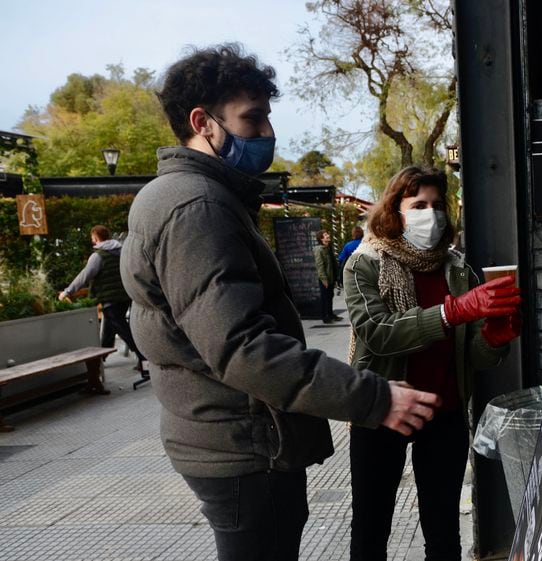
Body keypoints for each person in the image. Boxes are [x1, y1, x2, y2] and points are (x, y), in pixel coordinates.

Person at [120, 44, 440, 561]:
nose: (267, 133)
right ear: (203, 122)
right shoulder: (196, 206)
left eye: (268, 116)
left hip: (233, 436)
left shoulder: (186, 196)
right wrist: (374, 398)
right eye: (252, 118)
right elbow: (242, 347)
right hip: (243, 444)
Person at [343, 165, 522, 561]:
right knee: (371, 527)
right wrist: (450, 311)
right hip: (382, 410)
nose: (431, 214)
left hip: (444, 411)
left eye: (437, 204)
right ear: (395, 209)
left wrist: (494, 338)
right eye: (419, 204)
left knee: (443, 531)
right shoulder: (365, 263)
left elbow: (471, 353)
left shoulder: (457, 268)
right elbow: (378, 333)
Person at [59, 225, 147, 374]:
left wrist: (67, 291)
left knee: (122, 329)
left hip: (110, 298)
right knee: (109, 328)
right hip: (125, 295)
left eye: (92, 237)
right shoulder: (121, 252)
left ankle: (144, 359)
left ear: (95, 237)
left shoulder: (98, 256)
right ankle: (101, 359)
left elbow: (85, 276)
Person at [315, 229, 341, 323]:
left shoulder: (328, 248)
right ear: (321, 238)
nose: (328, 235)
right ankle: (325, 316)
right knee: (324, 297)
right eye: (325, 234)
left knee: (330, 296)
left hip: (331, 277)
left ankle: (330, 314)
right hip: (325, 279)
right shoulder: (319, 250)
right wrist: (324, 279)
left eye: (327, 233)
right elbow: (320, 266)